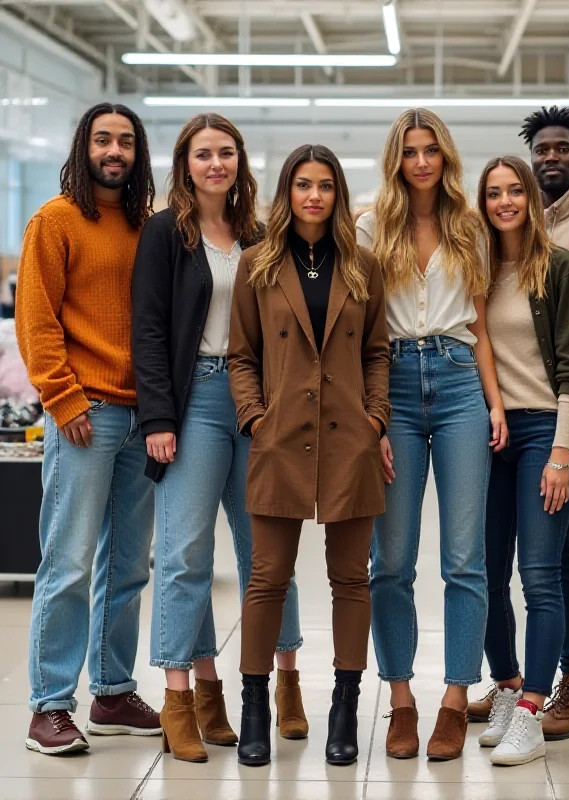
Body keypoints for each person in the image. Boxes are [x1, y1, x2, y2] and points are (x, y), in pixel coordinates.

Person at [131, 114, 306, 763]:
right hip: (195, 400)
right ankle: (186, 696)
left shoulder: (261, 234)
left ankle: (286, 682)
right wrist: (158, 418)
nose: (215, 164)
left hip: (259, 403)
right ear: (185, 162)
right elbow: (148, 328)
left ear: (239, 162)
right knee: (184, 554)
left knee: (270, 555)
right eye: (203, 154)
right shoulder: (163, 232)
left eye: (225, 153)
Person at [228, 144, 390, 768]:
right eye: (303, 184)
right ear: (286, 193)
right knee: (267, 577)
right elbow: (242, 353)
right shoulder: (257, 266)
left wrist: (376, 415)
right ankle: (254, 707)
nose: (314, 195)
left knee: (351, 579)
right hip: (279, 436)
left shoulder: (363, 265)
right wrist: (252, 415)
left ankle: (345, 707)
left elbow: (377, 350)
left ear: (338, 194)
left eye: (325, 185)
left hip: (349, 438)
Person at [357, 108, 508, 762]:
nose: (421, 162)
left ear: (445, 158)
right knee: (389, 561)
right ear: (396, 159)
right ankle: (400, 699)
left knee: (464, 559)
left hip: (458, 386)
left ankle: (453, 697)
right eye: (410, 151)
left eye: (431, 151)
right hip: (391, 384)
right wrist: (371, 416)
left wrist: (495, 405)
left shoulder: (471, 228)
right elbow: (359, 330)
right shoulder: (368, 226)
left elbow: (478, 320)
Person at [467, 106, 569, 740]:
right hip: (487, 434)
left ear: (531, 199)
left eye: (514, 193)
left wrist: (563, 453)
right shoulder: (472, 267)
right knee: (483, 571)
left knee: (541, 572)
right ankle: (506, 689)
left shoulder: (556, 263)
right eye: (494, 193)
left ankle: (535, 703)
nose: (506, 202)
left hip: (544, 433)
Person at [16, 102, 161, 755]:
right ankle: (48, 705)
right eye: (103, 139)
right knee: (68, 561)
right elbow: (37, 319)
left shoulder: (145, 226)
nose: (114, 150)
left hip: (143, 416)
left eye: (125, 141)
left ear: (137, 153)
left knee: (127, 564)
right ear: (85, 146)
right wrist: (63, 398)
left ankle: (111, 690)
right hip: (84, 414)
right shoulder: (55, 219)